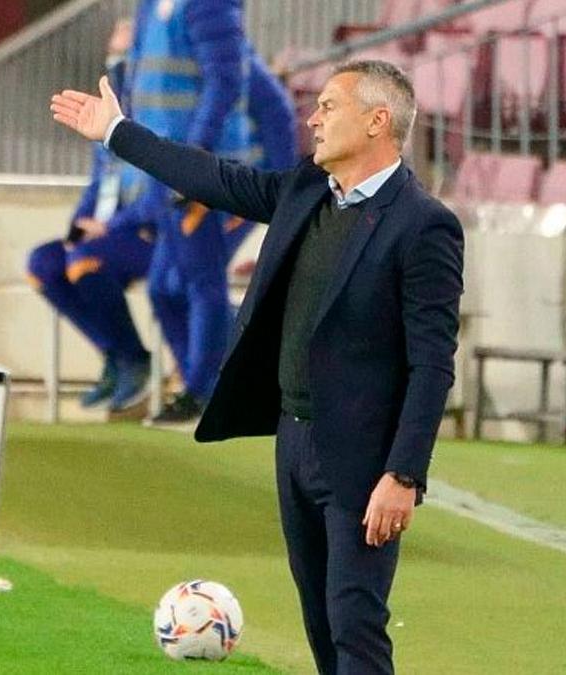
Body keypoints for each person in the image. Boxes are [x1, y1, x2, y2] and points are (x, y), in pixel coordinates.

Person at [51, 58, 463, 673]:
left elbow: (432, 364)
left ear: (378, 122)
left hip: (363, 456)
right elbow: (214, 177)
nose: (313, 118)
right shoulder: (305, 191)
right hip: (294, 442)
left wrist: (404, 475)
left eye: (329, 107)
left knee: (356, 625)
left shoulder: (424, 225)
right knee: (322, 626)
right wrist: (118, 133)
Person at [123, 0, 295, 425]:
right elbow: (138, 94)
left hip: (201, 178)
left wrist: (198, 160)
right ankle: (220, 382)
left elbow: (251, 96)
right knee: (164, 288)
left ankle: (203, 393)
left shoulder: (210, 7)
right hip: (162, 174)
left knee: (200, 283)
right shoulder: (149, 8)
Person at [27, 19, 154, 413]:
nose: (115, 67)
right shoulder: (109, 117)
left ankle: (134, 358)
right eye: (112, 54)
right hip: (104, 232)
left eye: (124, 55)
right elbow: (99, 181)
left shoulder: (159, 115)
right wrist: (77, 227)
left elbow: (161, 185)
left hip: (147, 232)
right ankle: (115, 355)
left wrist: (111, 226)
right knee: (43, 263)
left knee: (86, 261)